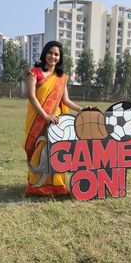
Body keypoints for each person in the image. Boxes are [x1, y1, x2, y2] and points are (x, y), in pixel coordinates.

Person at [23, 40, 82, 197]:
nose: (53, 56)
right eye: (50, 52)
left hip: (56, 121)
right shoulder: (34, 72)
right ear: (45, 53)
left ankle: (56, 185)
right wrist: (45, 115)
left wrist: (82, 110)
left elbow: (66, 101)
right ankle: (36, 186)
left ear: (60, 58)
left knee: (56, 151)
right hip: (39, 118)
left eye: (57, 54)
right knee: (39, 150)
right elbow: (31, 96)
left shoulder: (61, 77)